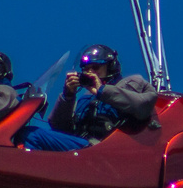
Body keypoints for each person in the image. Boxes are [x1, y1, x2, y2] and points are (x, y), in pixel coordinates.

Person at [22, 44, 156, 150]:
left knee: (31, 135)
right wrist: (68, 96)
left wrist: (103, 90)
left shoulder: (131, 83)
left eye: (96, 68)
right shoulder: (86, 97)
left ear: (111, 67)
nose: (90, 72)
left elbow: (143, 106)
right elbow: (59, 129)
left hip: (107, 150)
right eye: (86, 69)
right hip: (82, 150)